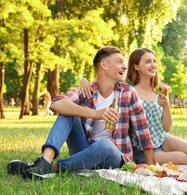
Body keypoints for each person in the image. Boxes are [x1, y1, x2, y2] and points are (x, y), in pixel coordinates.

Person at [7, 46, 154, 179]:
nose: (124, 66)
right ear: (104, 65)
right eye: (119, 62)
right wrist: (96, 114)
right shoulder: (87, 89)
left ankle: (51, 168)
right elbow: (57, 104)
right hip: (85, 151)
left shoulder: (128, 92)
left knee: (105, 145)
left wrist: (152, 167)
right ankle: (45, 160)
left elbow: (143, 132)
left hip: (114, 156)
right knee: (68, 113)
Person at [79, 48, 187, 165]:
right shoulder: (127, 90)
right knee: (184, 159)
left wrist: (166, 107)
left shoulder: (160, 91)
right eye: (148, 62)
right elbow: (104, 80)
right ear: (136, 66)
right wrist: (83, 80)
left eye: (154, 61)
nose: (153, 65)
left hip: (161, 139)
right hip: (140, 147)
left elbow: (167, 128)